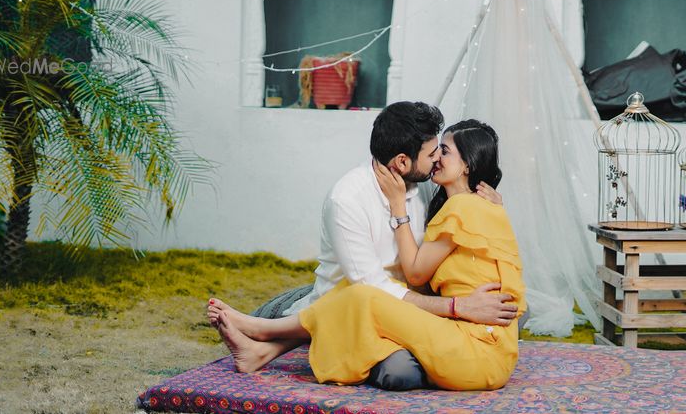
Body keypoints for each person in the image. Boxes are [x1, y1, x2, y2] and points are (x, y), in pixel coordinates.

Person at [207, 103, 517, 389]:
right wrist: (456, 306)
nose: (437, 158)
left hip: (450, 329)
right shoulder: (349, 199)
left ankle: (266, 333)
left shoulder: (443, 196)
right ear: (402, 162)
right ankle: (263, 339)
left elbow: (420, 272)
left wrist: (404, 210)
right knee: (361, 295)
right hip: (379, 299)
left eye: (443, 151)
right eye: (435, 152)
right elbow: (376, 284)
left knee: (397, 369)